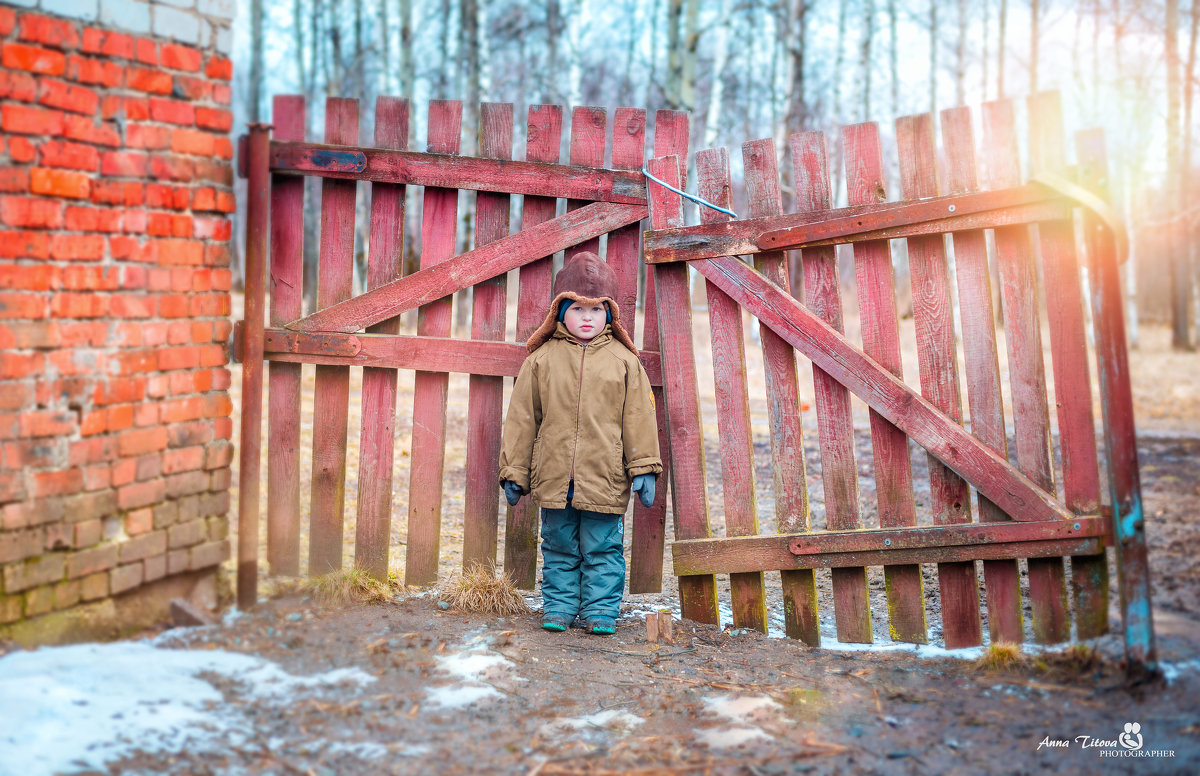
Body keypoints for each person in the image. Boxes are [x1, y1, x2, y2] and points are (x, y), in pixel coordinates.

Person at [498, 251, 661, 636]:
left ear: (609, 314)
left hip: (605, 477)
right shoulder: (541, 360)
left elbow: (638, 417)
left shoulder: (624, 362)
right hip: (554, 477)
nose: (587, 317)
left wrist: (644, 468)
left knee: (603, 548)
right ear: (559, 312)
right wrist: (515, 471)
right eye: (577, 308)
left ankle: (601, 611)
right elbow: (523, 419)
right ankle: (559, 606)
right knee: (557, 546)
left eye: (596, 309)